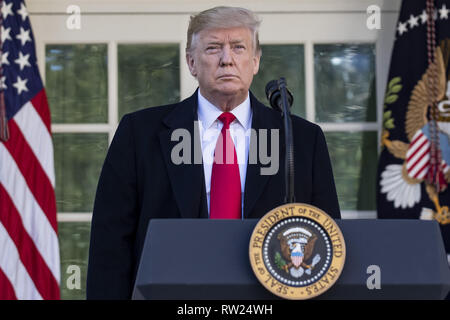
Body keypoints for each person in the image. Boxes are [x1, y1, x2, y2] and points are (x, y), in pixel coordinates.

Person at [86, 6, 340, 299]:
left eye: (238, 47)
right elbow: (110, 247)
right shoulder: (139, 133)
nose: (227, 59)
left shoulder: (302, 140)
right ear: (191, 62)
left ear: (255, 61)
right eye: (213, 48)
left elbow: (327, 242)